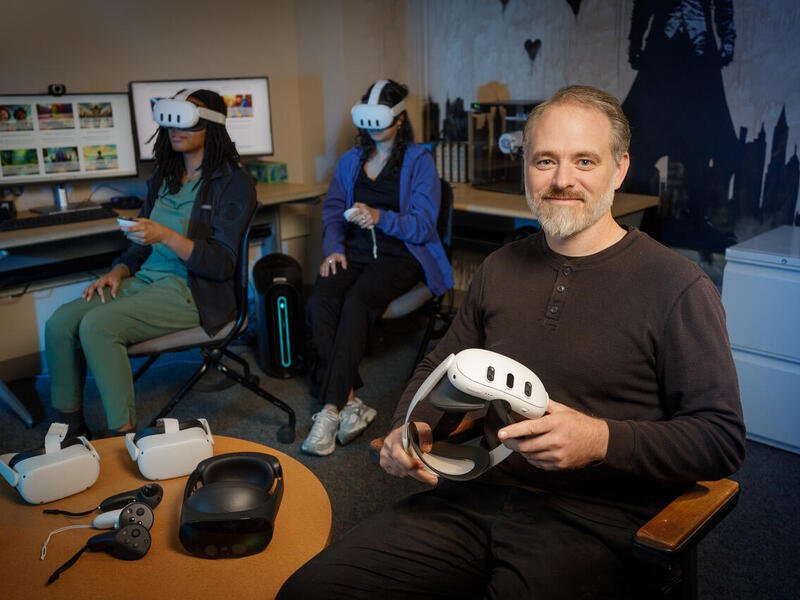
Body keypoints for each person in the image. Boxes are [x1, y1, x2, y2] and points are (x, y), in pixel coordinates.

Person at [278, 85, 745, 598]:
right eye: (545, 160)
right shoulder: (500, 268)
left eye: (584, 161)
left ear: (619, 169)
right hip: (476, 491)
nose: (562, 180)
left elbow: (719, 438)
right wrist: (411, 431)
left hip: (595, 521)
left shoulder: (676, 286)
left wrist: (601, 440)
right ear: (527, 168)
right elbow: (439, 365)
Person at [44, 89, 255, 438]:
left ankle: (121, 438)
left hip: (195, 292)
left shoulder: (233, 183)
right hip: (146, 282)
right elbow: (140, 245)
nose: (176, 128)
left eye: (187, 119)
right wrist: (117, 272)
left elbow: (222, 264)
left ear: (213, 126)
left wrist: (167, 235)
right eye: (170, 119)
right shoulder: (165, 177)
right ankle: (70, 427)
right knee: (59, 322)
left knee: (98, 326)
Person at [302, 79, 453, 456]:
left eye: (380, 121)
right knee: (320, 299)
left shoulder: (419, 160)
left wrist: (379, 217)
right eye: (365, 121)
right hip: (354, 253)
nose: (372, 130)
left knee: (356, 302)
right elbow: (334, 209)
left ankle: (330, 409)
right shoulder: (351, 161)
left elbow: (422, 225)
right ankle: (352, 402)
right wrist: (333, 248)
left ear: (399, 119)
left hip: (402, 256)